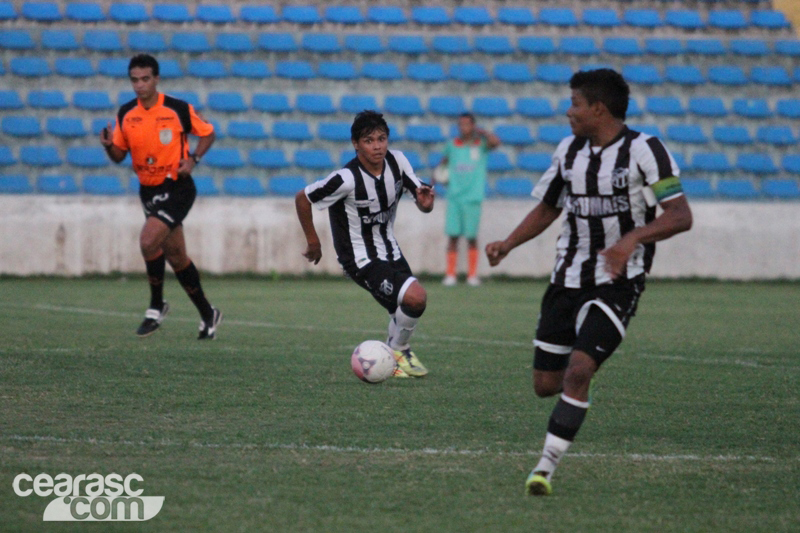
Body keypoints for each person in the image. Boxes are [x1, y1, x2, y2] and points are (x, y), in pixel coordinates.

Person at [485, 69, 693, 495]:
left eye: (575, 103)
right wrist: (508, 243)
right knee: (546, 386)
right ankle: (580, 379)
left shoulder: (645, 150)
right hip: (567, 277)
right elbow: (548, 208)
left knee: (577, 371)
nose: (569, 110)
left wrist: (629, 241)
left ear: (598, 108)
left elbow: (680, 215)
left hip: (619, 279)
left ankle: (544, 468)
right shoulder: (568, 151)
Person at [295, 110, 435, 378]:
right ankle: (399, 351)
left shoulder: (398, 161)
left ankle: (392, 359)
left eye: (382, 139)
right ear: (356, 144)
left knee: (405, 309)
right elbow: (303, 198)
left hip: (390, 249)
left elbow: (420, 195)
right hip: (359, 258)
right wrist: (313, 241)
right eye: (369, 140)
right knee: (416, 297)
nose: (377, 146)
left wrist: (426, 204)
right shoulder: (346, 179)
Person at [99, 54, 222, 339]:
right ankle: (208, 314)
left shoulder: (177, 108)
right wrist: (108, 146)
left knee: (147, 240)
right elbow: (119, 156)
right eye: (134, 80)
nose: (139, 85)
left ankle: (156, 307)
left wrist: (193, 160)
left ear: (156, 79)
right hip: (149, 190)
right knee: (177, 257)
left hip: (178, 186)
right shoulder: (127, 113)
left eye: (145, 79)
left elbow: (208, 133)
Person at [434, 113, 500, 287]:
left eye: (466, 124)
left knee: (472, 237)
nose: (463, 128)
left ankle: (472, 275)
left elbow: (496, 143)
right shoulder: (452, 145)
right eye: (460, 125)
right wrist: (436, 178)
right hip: (454, 197)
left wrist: (484, 132)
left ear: (473, 126)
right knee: (453, 236)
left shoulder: (481, 145)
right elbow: (442, 164)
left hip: (473, 198)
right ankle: (450, 275)